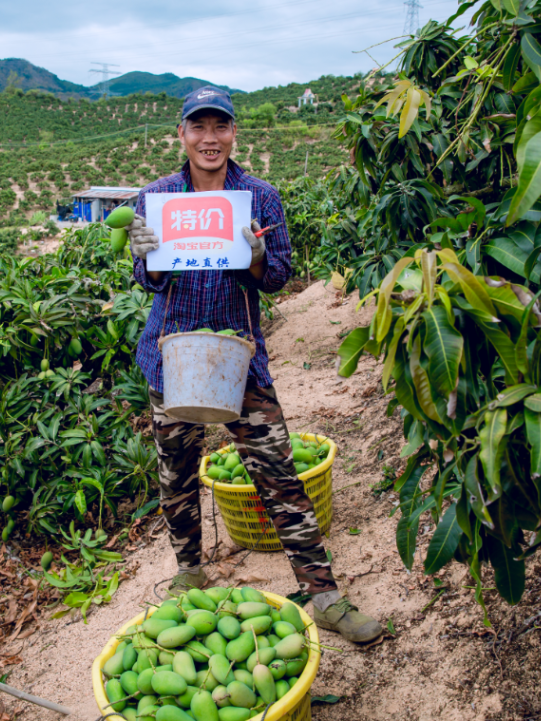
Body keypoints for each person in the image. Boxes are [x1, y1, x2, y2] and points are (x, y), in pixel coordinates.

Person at [125, 86, 382, 644]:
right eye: (199, 127)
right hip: (172, 352)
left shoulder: (259, 196)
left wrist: (259, 257)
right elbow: (149, 281)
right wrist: (145, 254)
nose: (209, 138)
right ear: (182, 134)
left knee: (279, 474)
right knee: (176, 475)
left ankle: (325, 596)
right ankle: (189, 570)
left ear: (234, 133)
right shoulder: (157, 197)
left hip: (238, 354)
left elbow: (280, 275)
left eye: (220, 127)